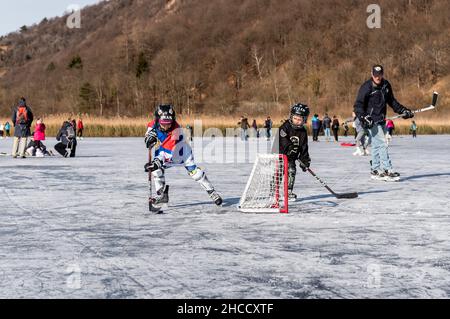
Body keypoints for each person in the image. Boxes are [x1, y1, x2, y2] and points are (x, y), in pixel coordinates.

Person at [144, 104, 222, 206]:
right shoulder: (153, 124)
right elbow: (149, 133)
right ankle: (162, 194)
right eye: (163, 123)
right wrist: (148, 139)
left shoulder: (176, 132)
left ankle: (211, 192)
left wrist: (156, 162)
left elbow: (167, 154)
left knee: (195, 173)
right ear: (158, 120)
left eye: (169, 123)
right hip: (164, 151)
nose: (166, 126)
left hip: (182, 154)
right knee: (156, 171)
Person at [354, 65, 414, 181]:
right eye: (375, 75)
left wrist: (403, 111)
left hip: (381, 119)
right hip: (371, 121)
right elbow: (358, 106)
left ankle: (376, 170)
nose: (378, 78)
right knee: (382, 143)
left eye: (380, 75)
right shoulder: (366, 87)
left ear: (382, 74)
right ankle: (387, 170)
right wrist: (364, 117)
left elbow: (392, 101)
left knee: (376, 145)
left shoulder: (386, 85)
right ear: (372, 74)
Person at [273, 103, 311, 201]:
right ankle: (274, 191)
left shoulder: (303, 132)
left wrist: (305, 160)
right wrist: (289, 147)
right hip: (280, 155)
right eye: (295, 118)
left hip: (291, 157)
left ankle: (288, 191)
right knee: (279, 171)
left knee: (292, 171)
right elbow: (282, 139)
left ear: (304, 120)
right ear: (291, 117)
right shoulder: (284, 127)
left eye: (300, 119)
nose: (297, 121)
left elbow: (303, 147)